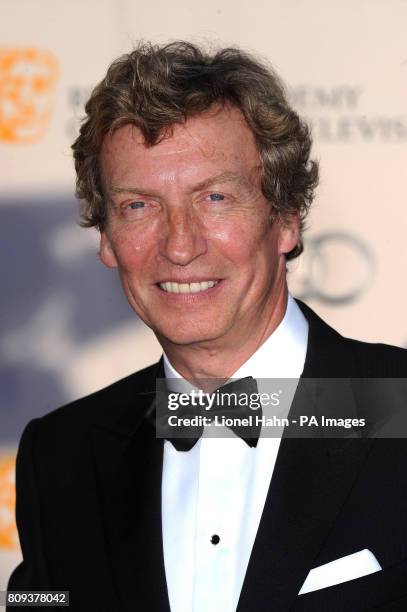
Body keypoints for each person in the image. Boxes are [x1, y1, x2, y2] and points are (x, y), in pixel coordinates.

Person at [8, 41, 407, 611]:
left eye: (215, 198)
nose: (179, 245)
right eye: (139, 206)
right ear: (105, 238)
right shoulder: (63, 455)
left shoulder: (401, 408)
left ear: (286, 218)